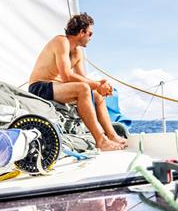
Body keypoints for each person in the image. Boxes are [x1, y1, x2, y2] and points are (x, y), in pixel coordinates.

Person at [28, 13, 128, 151]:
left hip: (58, 87)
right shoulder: (61, 41)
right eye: (90, 34)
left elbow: (82, 79)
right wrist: (98, 85)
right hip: (40, 86)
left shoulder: (77, 52)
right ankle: (100, 140)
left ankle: (112, 135)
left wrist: (99, 86)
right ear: (82, 32)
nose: (91, 38)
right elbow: (66, 76)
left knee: (97, 96)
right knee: (83, 89)